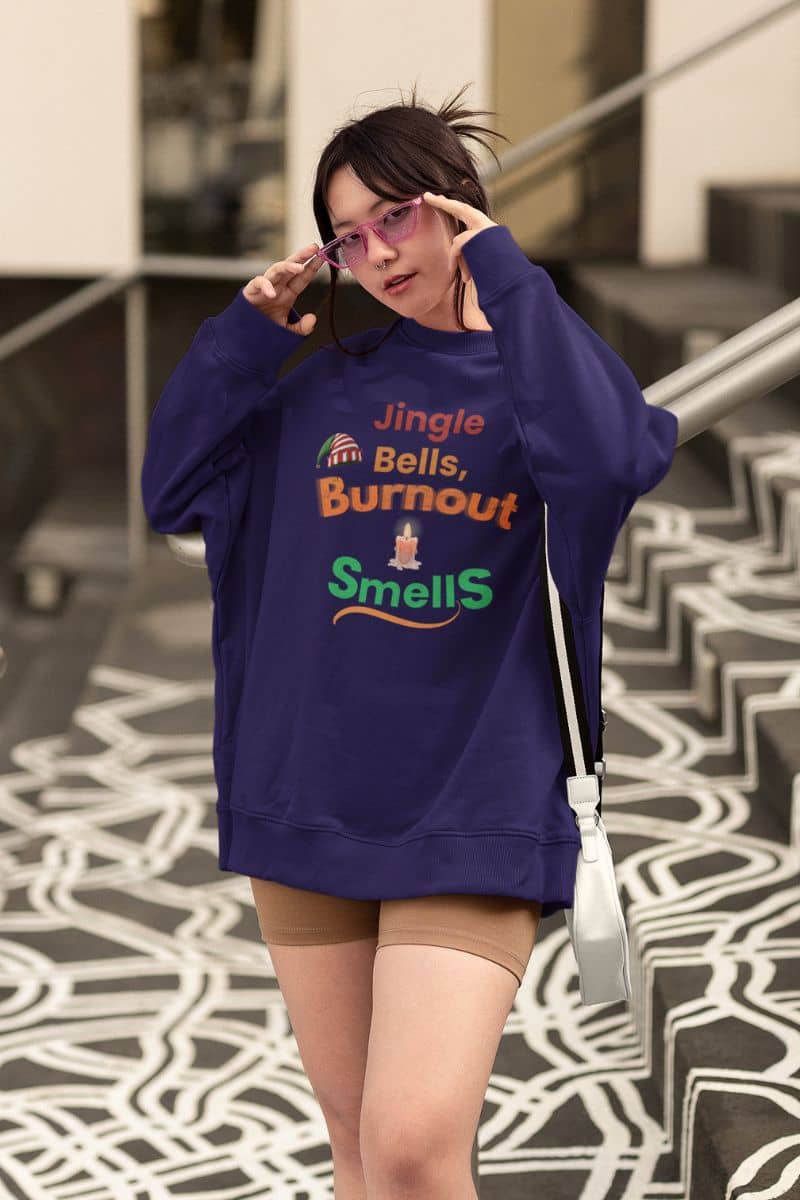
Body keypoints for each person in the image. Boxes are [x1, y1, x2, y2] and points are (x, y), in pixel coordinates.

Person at [141, 83, 678, 1200]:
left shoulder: (541, 379)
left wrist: (513, 285)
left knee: (412, 1146)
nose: (376, 252)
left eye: (396, 216)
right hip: (310, 792)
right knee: (358, 1156)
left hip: (475, 796)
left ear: (457, 209)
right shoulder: (318, 389)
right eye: (348, 234)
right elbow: (172, 491)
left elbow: (610, 463)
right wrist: (245, 337)